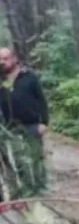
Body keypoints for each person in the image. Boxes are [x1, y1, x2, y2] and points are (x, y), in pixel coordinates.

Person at [0, 47, 49, 197]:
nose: (2, 62)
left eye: (5, 58)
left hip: (32, 124)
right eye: (0, 60)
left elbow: (42, 101)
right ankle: (22, 191)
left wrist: (44, 123)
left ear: (14, 58)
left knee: (35, 158)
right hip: (10, 127)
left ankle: (39, 190)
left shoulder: (29, 77)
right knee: (17, 160)